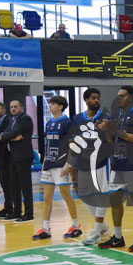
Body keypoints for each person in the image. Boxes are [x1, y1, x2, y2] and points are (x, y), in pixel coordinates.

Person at [96, 86, 133, 252]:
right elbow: (111, 140)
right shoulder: (116, 115)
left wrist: (116, 130)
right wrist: (107, 131)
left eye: (122, 96)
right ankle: (118, 237)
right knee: (115, 199)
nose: (118, 98)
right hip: (117, 162)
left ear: (131, 97)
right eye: (117, 96)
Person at [62, 87, 111, 244]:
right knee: (84, 195)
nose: (96, 100)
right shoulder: (77, 118)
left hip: (101, 161)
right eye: (93, 98)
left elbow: (111, 140)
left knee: (100, 195)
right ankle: (103, 227)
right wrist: (69, 163)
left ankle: (97, 230)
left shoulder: (105, 118)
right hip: (83, 162)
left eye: (98, 98)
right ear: (86, 100)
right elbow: (73, 141)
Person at [32, 95, 82, 240]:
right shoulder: (49, 123)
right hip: (49, 163)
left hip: (61, 164)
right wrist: (44, 162)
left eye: (53, 104)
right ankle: (46, 229)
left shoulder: (67, 123)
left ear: (60, 106)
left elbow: (74, 144)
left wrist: (69, 164)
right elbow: (48, 144)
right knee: (47, 197)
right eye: (50, 103)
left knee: (66, 196)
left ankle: (75, 226)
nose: (50, 106)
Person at [0, 99, 35, 222]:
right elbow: (8, 134)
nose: (13, 109)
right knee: (14, 185)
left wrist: (8, 136)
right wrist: (9, 137)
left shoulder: (25, 119)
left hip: (23, 156)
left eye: (15, 106)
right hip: (13, 156)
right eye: (11, 107)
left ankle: (29, 213)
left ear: (21, 107)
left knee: (25, 186)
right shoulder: (12, 120)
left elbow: (14, 133)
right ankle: (16, 211)